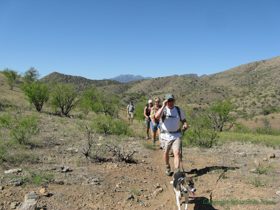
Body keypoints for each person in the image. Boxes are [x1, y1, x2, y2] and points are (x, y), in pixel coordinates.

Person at [155, 93, 188, 176]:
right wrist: (162, 106)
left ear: (174, 101)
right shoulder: (163, 110)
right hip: (165, 136)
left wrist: (185, 124)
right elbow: (156, 116)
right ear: (166, 102)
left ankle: (177, 170)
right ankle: (167, 166)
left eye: (172, 100)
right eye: (169, 101)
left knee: (176, 153)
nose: (171, 102)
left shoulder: (178, 110)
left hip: (176, 135)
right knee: (166, 152)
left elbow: (183, 120)